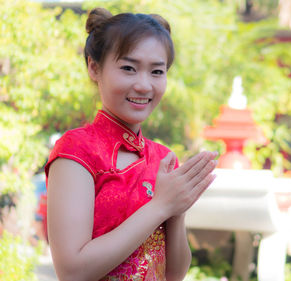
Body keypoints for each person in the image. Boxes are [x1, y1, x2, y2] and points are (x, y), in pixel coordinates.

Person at [45, 7, 217, 281]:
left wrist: (176, 212)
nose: (144, 85)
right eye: (128, 68)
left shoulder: (162, 158)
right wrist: (161, 206)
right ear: (94, 67)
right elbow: (72, 271)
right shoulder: (77, 151)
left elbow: (173, 274)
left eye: (157, 71)